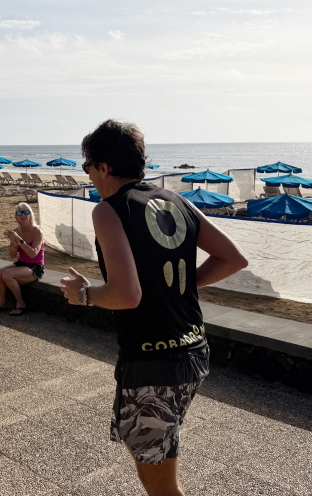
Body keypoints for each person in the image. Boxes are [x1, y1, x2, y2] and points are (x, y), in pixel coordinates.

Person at [60, 120, 248, 496]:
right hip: (193, 352)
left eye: (87, 167)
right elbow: (233, 258)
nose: (88, 175)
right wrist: (176, 287)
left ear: (103, 167)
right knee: (148, 461)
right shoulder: (177, 201)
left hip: (152, 362)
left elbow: (126, 295)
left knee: (161, 486)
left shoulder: (108, 210)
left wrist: (84, 295)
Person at [0, 202, 44, 316]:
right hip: (21, 263)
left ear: (30, 215)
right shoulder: (16, 232)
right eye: (20, 213)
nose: (23, 215)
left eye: (26, 212)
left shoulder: (38, 231)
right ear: (16, 216)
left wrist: (19, 240)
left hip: (35, 267)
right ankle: (2, 302)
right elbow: (12, 255)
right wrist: (14, 243)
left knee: (7, 274)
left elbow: (33, 254)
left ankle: (21, 303)